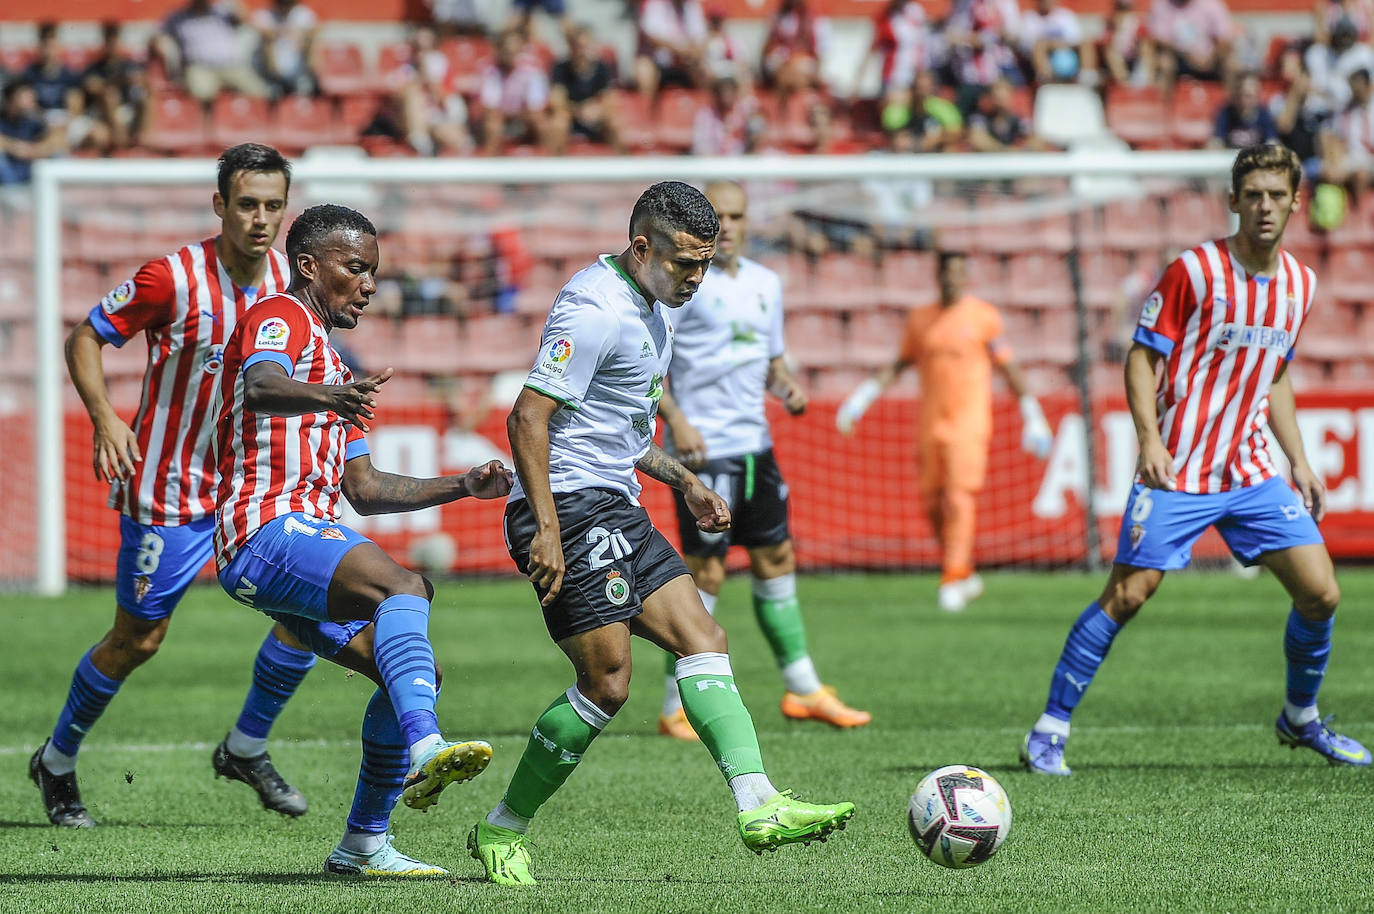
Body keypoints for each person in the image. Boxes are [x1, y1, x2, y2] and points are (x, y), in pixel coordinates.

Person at [467, 181, 855, 886]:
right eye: (685, 263)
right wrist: (546, 530)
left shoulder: (657, 307)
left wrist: (684, 480)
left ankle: (758, 802)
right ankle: (501, 830)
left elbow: (618, 432)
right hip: (566, 509)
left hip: (614, 502)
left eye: (705, 263)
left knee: (705, 640)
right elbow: (527, 419)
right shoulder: (592, 309)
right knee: (608, 683)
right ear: (642, 248)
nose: (698, 278)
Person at [1020, 144, 1372, 777]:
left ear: (1296, 201)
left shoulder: (1301, 283)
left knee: (1321, 594)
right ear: (1233, 201)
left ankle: (1300, 718)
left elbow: (1276, 375)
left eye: (1276, 195)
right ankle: (1049, 729)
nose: (1265, 207)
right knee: (1129, 593)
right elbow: (1140, 357)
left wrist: (1299, 460)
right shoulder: (1196, 271)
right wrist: (1150, 440)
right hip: (1179, 465)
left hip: (1252, 468)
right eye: (1253, 195)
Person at [214, 203, 512, 873]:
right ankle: (427, 750)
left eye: (374, 270)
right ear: (309, 265)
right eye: (356, 268)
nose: (370, 284)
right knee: (404, 586)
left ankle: (363, 844)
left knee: (413, 673)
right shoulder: (278, 317)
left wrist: (463, 486)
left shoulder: (333, 362)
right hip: (262, 527)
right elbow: (260, 386)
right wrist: (330, 396)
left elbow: (367, 489)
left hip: (299, 537)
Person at [30, 144, 310, 829]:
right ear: (220, 205)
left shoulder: (290, 282)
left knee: (311, 614)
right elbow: (85, 339)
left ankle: (246, 745)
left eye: (274, 205)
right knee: (138, 641)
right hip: (170, 487)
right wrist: (104, 419)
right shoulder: (172, 278)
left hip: (253, 484)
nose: (261, 218)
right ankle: (58, 760)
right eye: (247, 204)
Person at [652, 180, 870, 742]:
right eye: (720, 216)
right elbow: (654, 365)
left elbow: (771, 360)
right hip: (705, 451)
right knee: (706, 573)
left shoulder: (767, 285)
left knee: (777, 559)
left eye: (738, 215)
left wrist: (788, 385)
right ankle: (677, 704)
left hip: (757, 448)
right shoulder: (683, 286)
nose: (730, 226)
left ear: (750, 223)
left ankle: (803, 689)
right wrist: (676, 421)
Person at [836, 251, 1053, 612]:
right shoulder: (921, 319)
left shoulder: (984, 317)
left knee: (958, 497)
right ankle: (964, 571)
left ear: (966, 277)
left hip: (970, 424)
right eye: (946, 273)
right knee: (934, 504)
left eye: (958, 273)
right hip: (931, 424)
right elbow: (900, 363)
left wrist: (1033, 413)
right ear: (938, 276)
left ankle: (952, 576)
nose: (953, 279)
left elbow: (1008, 367)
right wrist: (860, 400)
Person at [1209, 72, 1279, 149]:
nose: (1243, 100)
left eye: (1248, 96)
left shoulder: (1264, 114)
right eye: (1240, 95)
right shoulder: (1225, 113)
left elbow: (1272, 141)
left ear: (1257, 95)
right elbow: (1217, 140)